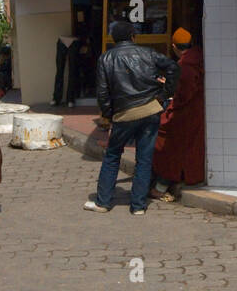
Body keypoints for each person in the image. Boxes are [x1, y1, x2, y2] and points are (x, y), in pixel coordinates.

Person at [84, 20, 180, 215]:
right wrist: (163, 95)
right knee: (144, 159)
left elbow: (102, 92)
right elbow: (173, 67)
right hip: (150, 110)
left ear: (113, 39)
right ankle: (138, 206)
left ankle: (103, 202)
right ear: (133, 37)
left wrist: (109, 115)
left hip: (123, 113)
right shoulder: (148, 53)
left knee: (112, 156)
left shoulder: (106, 58)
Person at [150, 28, 205, 201]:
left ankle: (160, 186)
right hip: (196, 111)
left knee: (164, 144)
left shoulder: (185, 64)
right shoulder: (198, 58)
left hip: (185, 114)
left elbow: (184, 93)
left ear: (174, 46)